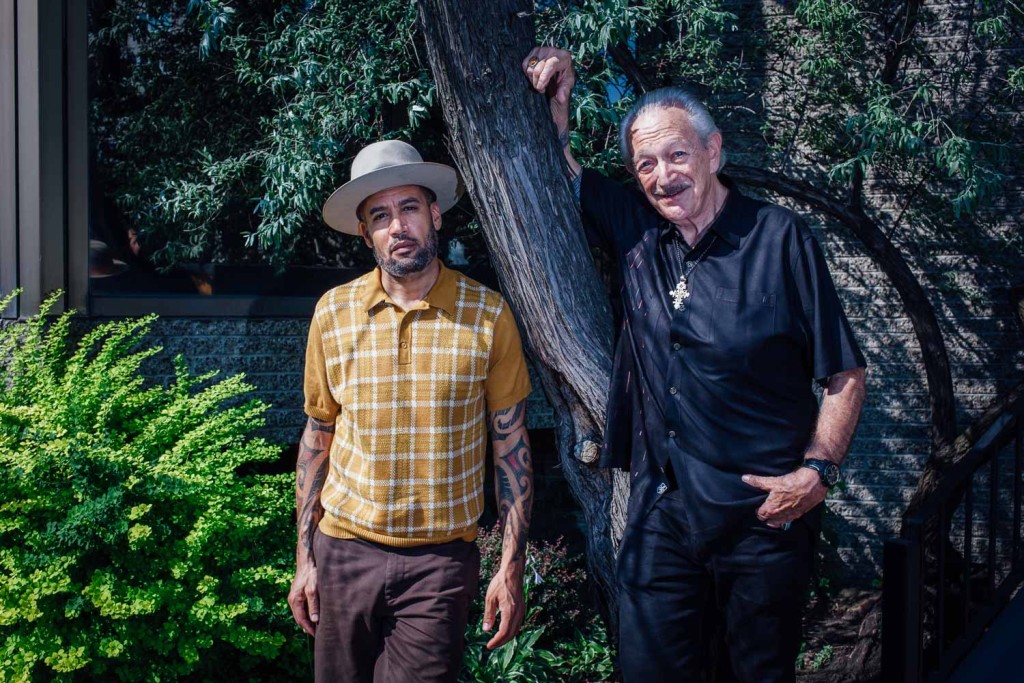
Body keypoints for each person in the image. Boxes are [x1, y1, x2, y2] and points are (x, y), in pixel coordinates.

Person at [522, 48, 868, 682]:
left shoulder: (780, 238)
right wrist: (560, 102)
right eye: (645, 164)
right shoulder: (635, 231)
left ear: (714, 153)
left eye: (677, 155)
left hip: (763, 515)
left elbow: (844, 372)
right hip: (663, 508)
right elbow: (555, 170)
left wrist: (817, 470)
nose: (662, 175)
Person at [286, 140, 534, 683]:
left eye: (409, 208)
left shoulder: (487, 316)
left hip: (439, 565)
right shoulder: (332, 313)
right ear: (365, 232)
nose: (397, 226)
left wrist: (509, 566)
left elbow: (511, 446)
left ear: (434, 215)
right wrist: (305, 559)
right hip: (344, 552)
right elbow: (317, 437)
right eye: (380, 215)